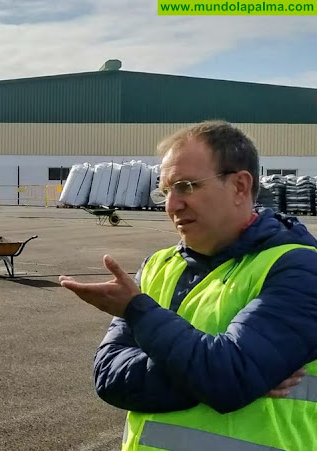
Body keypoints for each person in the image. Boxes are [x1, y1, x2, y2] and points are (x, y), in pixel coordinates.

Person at [59, 121, 317, 450]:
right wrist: (214, 377)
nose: (171, 205)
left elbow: (228, 379)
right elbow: (109, 377)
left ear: (239, 186)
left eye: (187, 186)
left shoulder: (298, 268)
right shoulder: (158, 266)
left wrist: (138, 310)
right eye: (166, 190)